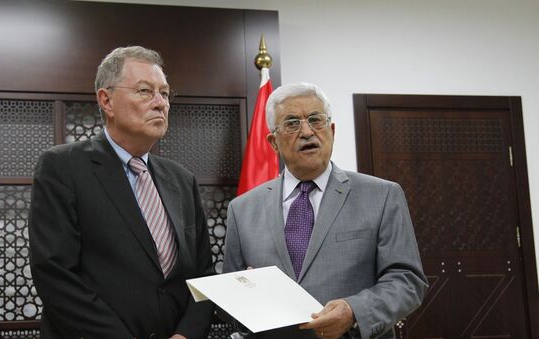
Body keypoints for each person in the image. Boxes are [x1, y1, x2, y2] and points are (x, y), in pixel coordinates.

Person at [30, 46, 214, 339]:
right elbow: (54, 274)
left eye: (164, 93)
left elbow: (203, 275)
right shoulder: (63, 167)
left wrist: (186, 334)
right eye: (145, 91)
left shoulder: (182, 180)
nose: (160, 103)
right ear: (107, 101)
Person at [223, 82, 428, 339]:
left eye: (315, 119)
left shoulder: (383, 196)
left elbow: (407, 281)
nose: (307, 132)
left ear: (331, 129)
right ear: (273, 143)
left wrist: (355, 311)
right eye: (292, 123)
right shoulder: (242, 210)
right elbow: (231, 298)